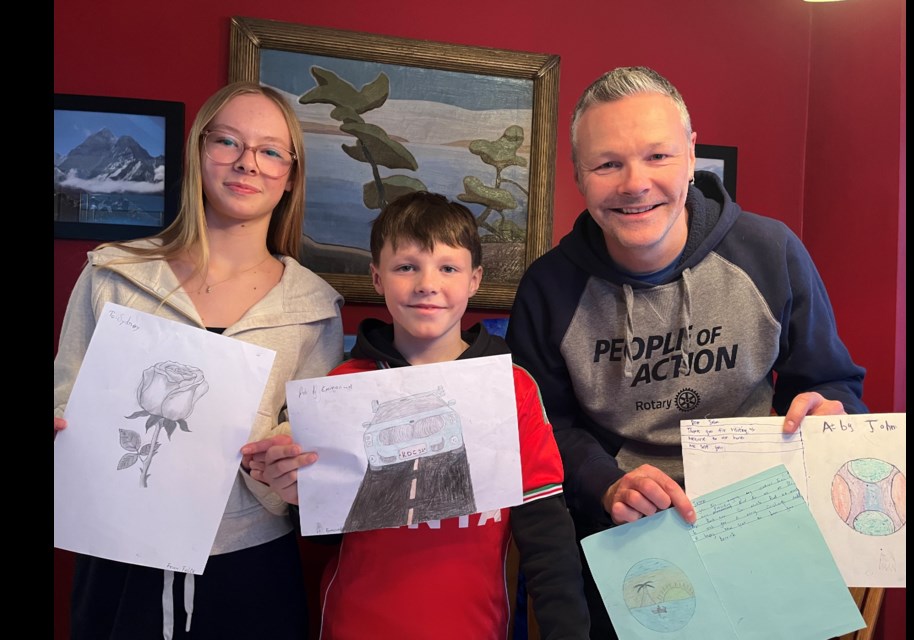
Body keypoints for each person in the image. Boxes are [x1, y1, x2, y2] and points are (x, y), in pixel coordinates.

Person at [504, 66, 868, 637]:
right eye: (607, 164)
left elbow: (833, 382)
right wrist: (606, 485)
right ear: (577, 173)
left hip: (759, 533)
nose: (634, 184)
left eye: (657, 156)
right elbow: (545, 429)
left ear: (690, 153)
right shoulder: (548, 290)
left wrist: (829, 411)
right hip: (621, 546)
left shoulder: (772, 253)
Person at [53, 81, 345, 639]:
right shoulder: (113, 275)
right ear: (198, 152)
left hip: (247, 566)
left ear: (291, 173)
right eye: (228, 141)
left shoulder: (313, 307)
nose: (247, 163)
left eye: (269, 150)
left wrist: (288, 468)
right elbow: (66, 393)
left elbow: (310, 449)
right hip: (119, 552)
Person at [243, 191, 590, 639]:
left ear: (475, 280)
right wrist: (297, 498)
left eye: (448, 267)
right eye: (406, 266)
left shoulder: (512, 388)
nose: (427, 283)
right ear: (377, 277)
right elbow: (325, 534)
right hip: (355, 626)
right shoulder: (343, 384)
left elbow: (547, 532)